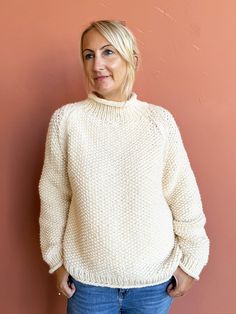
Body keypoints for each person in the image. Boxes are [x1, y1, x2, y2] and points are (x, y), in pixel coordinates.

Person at [38, 20, 210, 314]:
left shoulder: (159, 121)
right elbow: (53, 196)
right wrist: (55, 259)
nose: (97, 65)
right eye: (88, 55)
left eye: (108, 52)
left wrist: (192, 261)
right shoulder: (67, 121)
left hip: (154, 283)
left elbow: (183, 193)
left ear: (132, 58)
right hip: (87, 284)